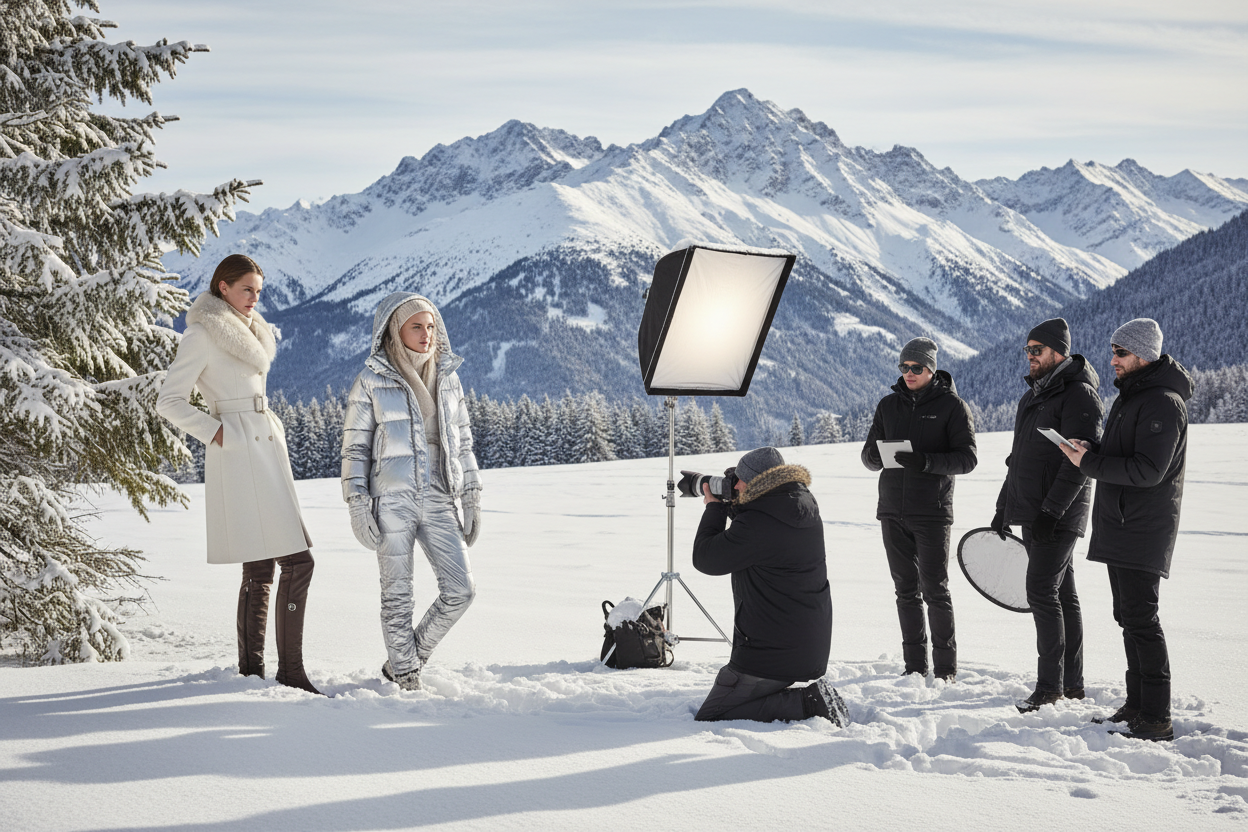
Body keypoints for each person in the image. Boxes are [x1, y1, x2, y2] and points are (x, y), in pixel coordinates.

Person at [156, 254, 320, 694]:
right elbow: (169, 401)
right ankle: (290, 672)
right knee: (297, 560)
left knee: (261, 564)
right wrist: (217, 433)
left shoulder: (251, 329)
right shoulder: (202, 334)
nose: (254, 299)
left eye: (258, 291)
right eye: (246, 289)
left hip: (263, 445)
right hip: (239, 449)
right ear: (222, 287)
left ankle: (253, 671)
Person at [1058, 319, 1193, 742]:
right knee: (1128, 618)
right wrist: (1091, 450)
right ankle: (1137, 706)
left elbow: (1148, 471)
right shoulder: (1135, 397)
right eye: (1112, 351)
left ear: (1143, 355)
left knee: (1142, 619)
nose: (1112, 360)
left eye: (1121, 353)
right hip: (1122, 523)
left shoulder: (1162, 403)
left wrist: (1088, 464)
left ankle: (1156, 717)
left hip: (1142, 527)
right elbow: (1123, 455)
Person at [341, 292, 482, 691]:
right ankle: (405, 676)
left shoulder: (448, 376)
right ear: (395, 329)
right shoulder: (372, 379)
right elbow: (354, 447)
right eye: (416, 326)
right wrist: (357, 503)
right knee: (397, 594)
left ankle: (407, 659)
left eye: (431, 326)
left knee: (461, 590)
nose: (426, 335)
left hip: (439, 495)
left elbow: (464, 441)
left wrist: (470, 494)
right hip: (392, 499)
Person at [990, 319, 1103, 713]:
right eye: (1027, 349)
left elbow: (1077, 463)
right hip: (1033, 510)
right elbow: (1017, 460)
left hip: (1058, 513)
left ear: (1059, 352)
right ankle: (1071, 684)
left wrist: (1052, 511)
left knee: (1040, 591)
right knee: (1063, 595)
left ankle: (1049, 686)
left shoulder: (1079, 395)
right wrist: (1004, 508)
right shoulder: (1034, 397)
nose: (1031, 356)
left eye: (1037, 349)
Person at [691, 447, 845, 725]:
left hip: (769, 655)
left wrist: (715, 507)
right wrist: (738, 503)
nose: (735, 485)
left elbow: (706, 558)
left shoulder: (759, 524)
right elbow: (757, 537)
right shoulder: (798, 503)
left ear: (759, 483)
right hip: (805, 645)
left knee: (714, 714)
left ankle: (808, 703)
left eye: (740, 480)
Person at [861, 337, 977, 681]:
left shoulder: (953, 407)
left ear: (932, 369)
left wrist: (924, 461)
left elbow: (967, 459)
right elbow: (868, 455)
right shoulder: (888, 405)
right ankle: (914, 668)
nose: (909, 373)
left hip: (932, 512)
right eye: (904, 367)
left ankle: (945, 670)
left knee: (935, 590)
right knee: (905, 591)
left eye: (917, 368)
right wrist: (875, 456)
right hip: (891, 510)